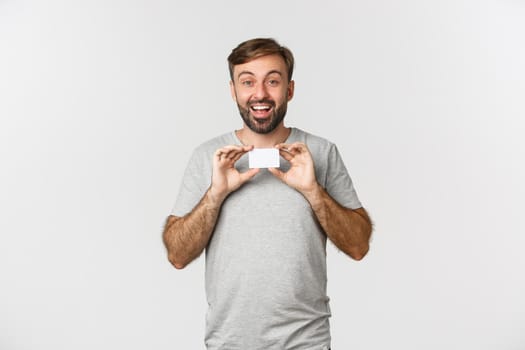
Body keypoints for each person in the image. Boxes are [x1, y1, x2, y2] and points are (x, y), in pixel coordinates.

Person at [162, 38, 372, 350]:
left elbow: (358, 246)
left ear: (289, 89)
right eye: (247, 82)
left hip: (306, 342)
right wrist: (215, 194)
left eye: (272, 81)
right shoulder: (208, 156)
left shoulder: (322, 153)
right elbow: (177, 256)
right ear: (233, 90)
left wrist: (314, 192)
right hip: (229, 342)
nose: (260, 93)